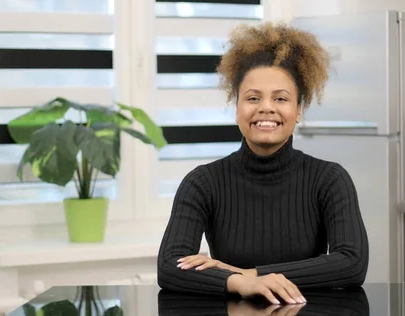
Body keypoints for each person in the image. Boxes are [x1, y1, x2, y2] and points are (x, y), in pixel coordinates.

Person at [157, 21, 369, 306]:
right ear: (237, 110)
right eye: (253, 98)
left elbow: (352, 263)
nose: (266, 107)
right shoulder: (203, 182)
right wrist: (239, 283)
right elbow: (170, 266)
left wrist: (249, 273)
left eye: (280, 98)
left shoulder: (329, 178)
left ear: (298, 111)